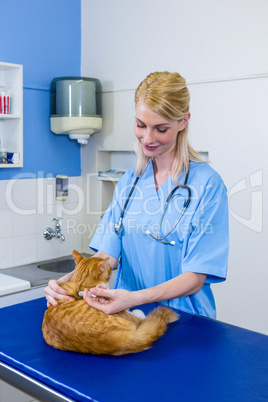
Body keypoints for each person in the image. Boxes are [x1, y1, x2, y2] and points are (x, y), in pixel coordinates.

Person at [45, 71, 229, 319]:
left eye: (160, 128)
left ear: (183, 122)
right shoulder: (130, 182)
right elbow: (105, 257)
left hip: (185, 320)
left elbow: (195, 277)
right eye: (141, 125)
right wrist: (64, 284)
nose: (148, 138)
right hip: (129, 318)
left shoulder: (207, 184)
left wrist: (136, 297)